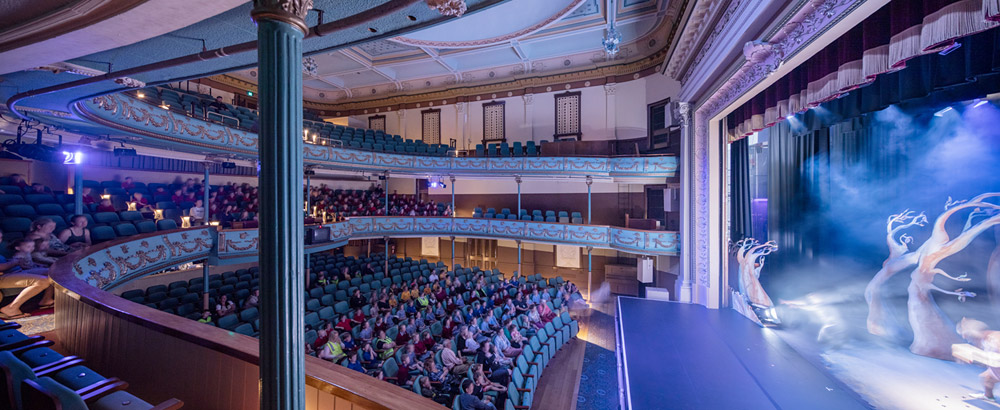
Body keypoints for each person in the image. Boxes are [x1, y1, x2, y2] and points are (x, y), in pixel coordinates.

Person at [957, 317, 1000, 400]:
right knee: (986, 378)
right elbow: (984, 358)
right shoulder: (983, 340)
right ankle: (988, 396)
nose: (971, 341)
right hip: (997, 369)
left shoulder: (996, 339)